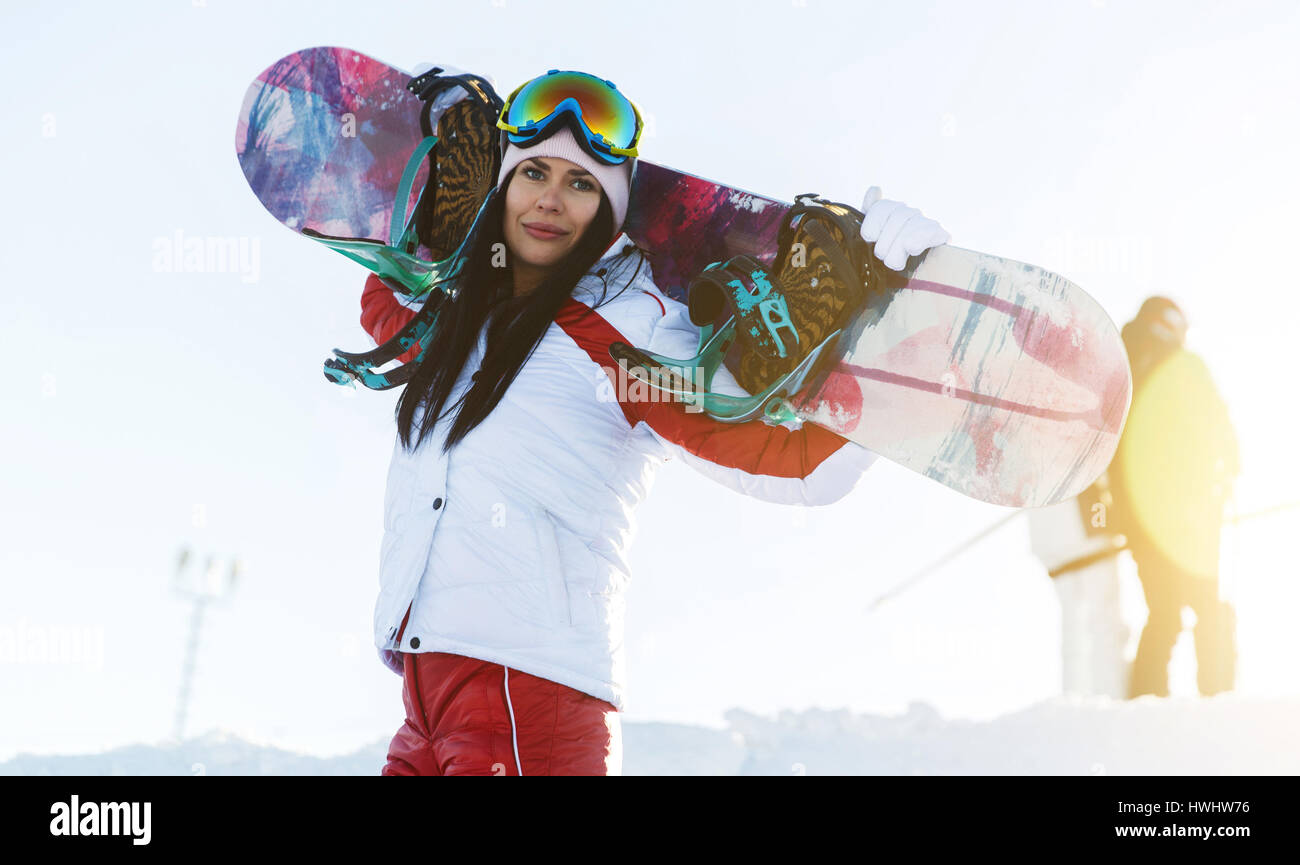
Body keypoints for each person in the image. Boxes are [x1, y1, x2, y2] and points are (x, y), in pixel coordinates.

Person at [362, 69, 951, 775]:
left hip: (529, 701)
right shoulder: (461, 319)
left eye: (581, 184)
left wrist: (899, 314)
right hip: (426, 700)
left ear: (609, 211)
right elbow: (385, 314)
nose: (550, 198)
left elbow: (797, 465)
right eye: (534, 173)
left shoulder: (631, 329)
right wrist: (438, 219)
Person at [1109, 297, 1240, 699]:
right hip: (1192, 515)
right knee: (1208, 608)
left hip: (1140, 520)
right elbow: (1221, 433)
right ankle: (1218, 703)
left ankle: (1147, 709)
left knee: (1163, 615)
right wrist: (1224, 483)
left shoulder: (1120, 368)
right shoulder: (1186, 367)